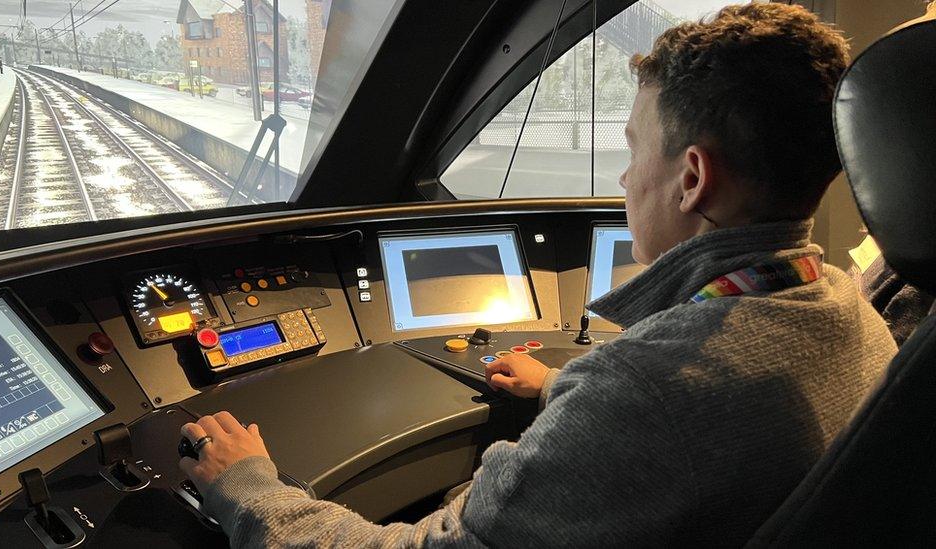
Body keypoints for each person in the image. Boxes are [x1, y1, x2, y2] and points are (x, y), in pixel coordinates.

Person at [178, 4, 898, 547]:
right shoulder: (853, 312)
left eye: (633, 148)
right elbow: (699, 437)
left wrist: (250, 489)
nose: (622, 176)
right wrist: (562, 386)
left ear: (691, 178)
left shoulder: (647, 391)